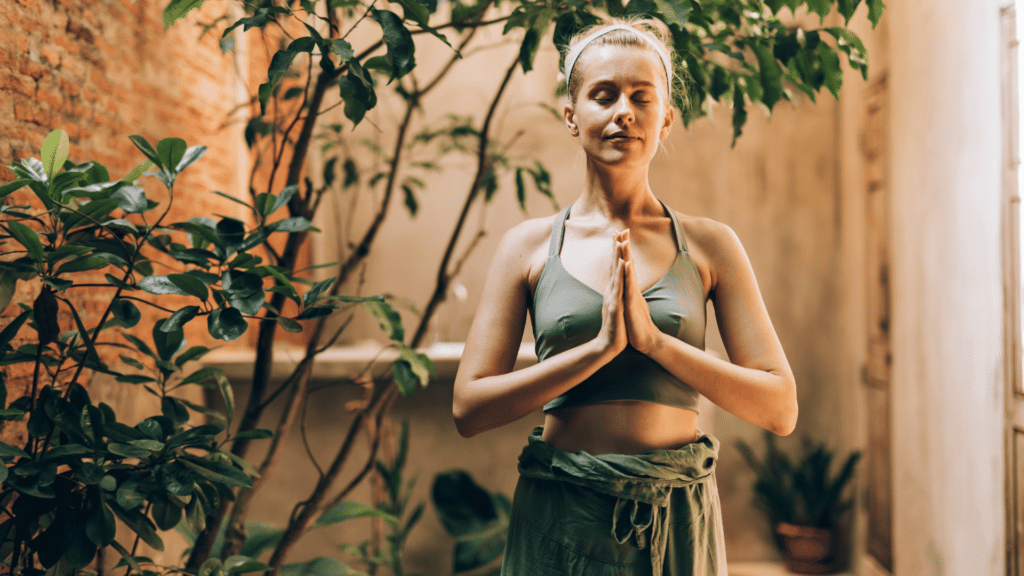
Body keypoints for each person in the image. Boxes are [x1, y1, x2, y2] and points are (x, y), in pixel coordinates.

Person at [452, 18, 798, 576]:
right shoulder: (530, 246)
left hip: (676, 518)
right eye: (603, 94)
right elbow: (469, 408)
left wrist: (656, 344)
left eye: (642, 97)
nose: (624, 112)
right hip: (561, 513)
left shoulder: (711, 246)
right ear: (572, 114)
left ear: (665, 120)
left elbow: (780, 407)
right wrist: (595, 352)